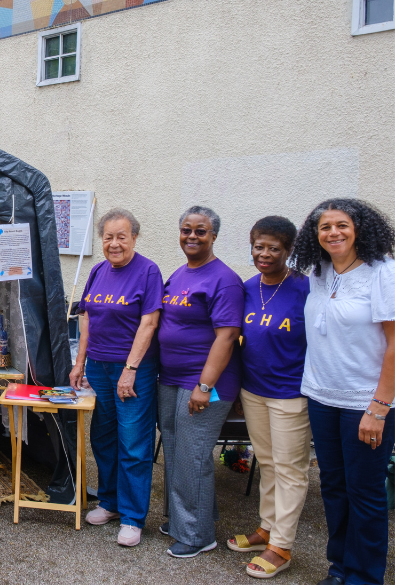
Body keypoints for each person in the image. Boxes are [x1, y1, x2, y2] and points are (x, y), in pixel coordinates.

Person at [293, 198, 395, 585]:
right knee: (334, 488)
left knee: (365, 493)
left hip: (365, 402)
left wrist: (379, 407)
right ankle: (340, 567)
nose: (333, 232)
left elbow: (394, 344)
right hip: (321, 397)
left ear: (360, 229)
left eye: (342, 225)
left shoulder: (383, 272)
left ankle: (365, 577)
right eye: (324, 227)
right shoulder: (319, 271)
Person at [69, 208, 163, 547]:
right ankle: (109, 502)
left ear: (134, 238)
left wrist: (131, 369)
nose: (114, 243)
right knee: (104, 437)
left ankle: (133, 517)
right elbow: (86, 318)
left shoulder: (148, 271)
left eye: (121, 236)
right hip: (98, 367)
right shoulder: (97, 270)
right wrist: (80, 362)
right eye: (108, 237)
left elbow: (149, 323)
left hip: (132, 370)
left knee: (134, 442)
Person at [158, 205, 244, 559]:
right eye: (186, 230)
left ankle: (196, 535)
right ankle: (186, 519)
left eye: (200, 231)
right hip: (172, 378)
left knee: (192, 456)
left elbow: (227, 337)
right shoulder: (179, 274)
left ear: (214, 236)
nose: (191, 236)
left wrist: (205, 385)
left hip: (206, 382)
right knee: (176, 450)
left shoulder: (223, 279)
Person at [227, 216, 310, 579]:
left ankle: (282, 545)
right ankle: (266, 529)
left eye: (273, 248)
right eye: (258, 246)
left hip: (291, 394)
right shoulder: (247, 287)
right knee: (268, 462)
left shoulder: (306, 289)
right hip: (254, 390)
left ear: (289, 251)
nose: (264, 254)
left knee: (291, 469)